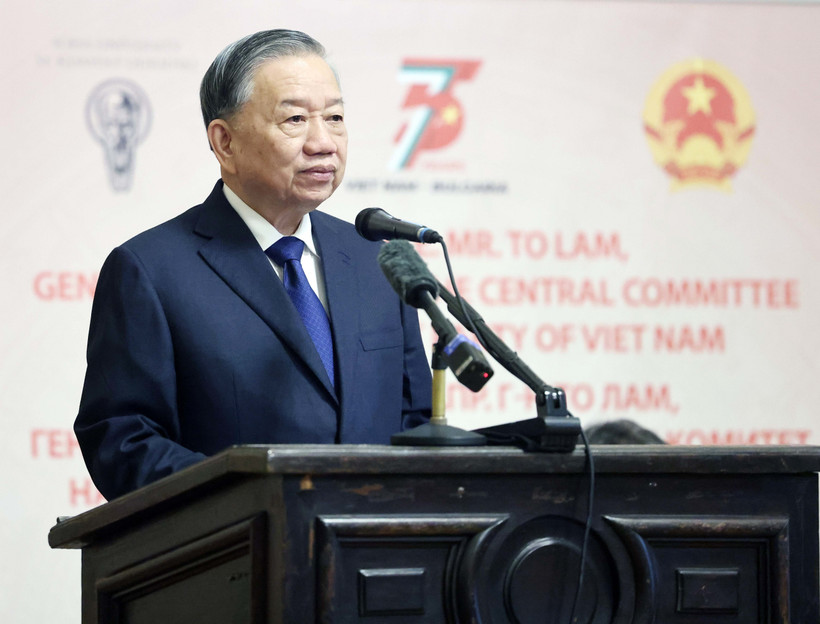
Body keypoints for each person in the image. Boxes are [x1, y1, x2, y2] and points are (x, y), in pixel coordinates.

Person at [74, 30, 433, 501]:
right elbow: (123, 441)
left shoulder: (377, 258)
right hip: (239, 557)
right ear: (224, 142)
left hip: (373, 557)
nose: (323, 142)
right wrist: (254, 501)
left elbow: (416, 419)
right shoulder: (151, 271)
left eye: (335, 117)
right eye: (296, 119)